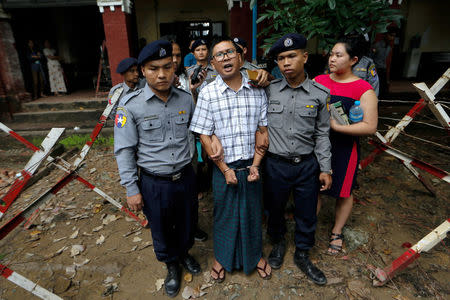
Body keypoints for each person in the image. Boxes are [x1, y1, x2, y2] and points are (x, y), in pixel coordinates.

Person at [114, 40, 201, 297]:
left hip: (185, 176)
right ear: (142, 70)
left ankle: (184, 254)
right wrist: (132, 188)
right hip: (154, 181)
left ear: (175, 67)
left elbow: (194, 135)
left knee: (187, 221)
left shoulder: (186, 99)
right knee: (161, 227)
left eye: (167, 67)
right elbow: (124, 150)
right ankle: (171, 265)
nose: (162, 74)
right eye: (154, 68)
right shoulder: (129, 106)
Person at [190, 37, 272, 282]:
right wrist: (224, 169)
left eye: (230, 52)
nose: (225, 57)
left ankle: (254, 255)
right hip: (223, 167)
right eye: (219, 55)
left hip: (251, 165)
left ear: (240, 57)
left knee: (252, 213)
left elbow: (262, 131)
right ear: (213, 64)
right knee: (224, 213)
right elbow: (203, 133)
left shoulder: (257, 91)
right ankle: (222, 258)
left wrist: (256, 166)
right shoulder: (208, 93)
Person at [264, 33, 332, 286]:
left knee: (306, 212)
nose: (286, 63)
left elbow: (322, 133)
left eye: (292, 56)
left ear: (305, 56)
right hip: (276, 164)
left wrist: (326, 168)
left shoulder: (320, 93)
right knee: (275, 208)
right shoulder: (269, 90)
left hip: (306, 164)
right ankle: (278, 243)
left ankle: (303, 252)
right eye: (281, 58)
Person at [315, 37, 378, 255]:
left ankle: (337, 231)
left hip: (344, 147)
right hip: (316, 145)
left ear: (354, 60)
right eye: (331, 54)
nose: (332, 58)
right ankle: (308, 226)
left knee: (344, 190)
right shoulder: (319, 81)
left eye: (338, 55)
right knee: (315, 188)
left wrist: (335, 127)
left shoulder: (363, 88)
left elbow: (370, 127)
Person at [372, 28, 396, 97]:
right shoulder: (377, 46)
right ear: (386, 35)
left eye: (394, 36)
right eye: (391, 35)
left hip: (383, 69)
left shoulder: (389, 47)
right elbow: (371, 58)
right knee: (375, 87)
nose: (392, 38)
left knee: (383, 88)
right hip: (376, 70)